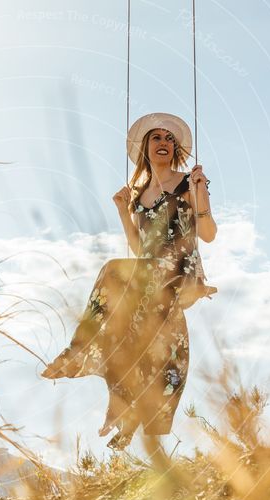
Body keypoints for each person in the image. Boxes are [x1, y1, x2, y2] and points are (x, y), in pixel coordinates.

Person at [40, 112, 218, 457]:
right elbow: (139, 249)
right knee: (133, 338)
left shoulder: (188, 182)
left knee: (112, 272)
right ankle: (125, 411)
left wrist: (200, 195)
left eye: (169, 138)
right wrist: (123, 210)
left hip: (180, 273)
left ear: (176, 148)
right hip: (151, 275)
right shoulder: (139, 195)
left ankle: (79, 354)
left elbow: (207, 235)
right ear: (145, 148)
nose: (163, 142)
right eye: (157, 138)